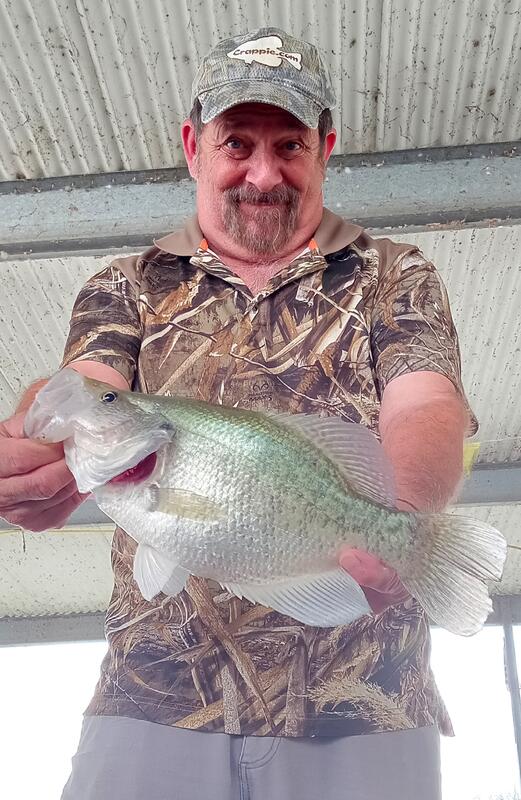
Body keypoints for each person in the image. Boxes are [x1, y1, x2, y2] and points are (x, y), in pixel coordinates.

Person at [0, 27, 475, 800]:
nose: (262, 173)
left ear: (325, 149)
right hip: (152, 701)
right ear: (194, 146)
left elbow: (425, 402)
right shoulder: (125, 284)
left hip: (364, 700)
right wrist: (30, 444)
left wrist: (408, 523)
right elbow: (82, 384)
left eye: (288, 144)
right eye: (236, 143)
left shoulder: (396, 274)